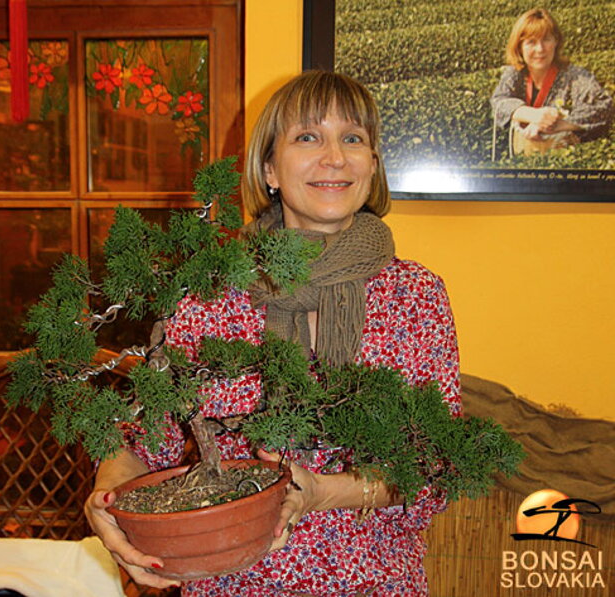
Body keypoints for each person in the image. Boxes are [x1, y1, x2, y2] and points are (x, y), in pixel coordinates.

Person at [85, 70, 461, 596]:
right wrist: (104, 499)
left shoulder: (414, 297)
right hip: (231, 584)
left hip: (373, 583)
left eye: (353, 138)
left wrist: (324, 492)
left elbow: (436, 467)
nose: (334, 156)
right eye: (308, 136)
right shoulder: (208, 296)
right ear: (269, 169)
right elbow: (141, 444)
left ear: (373, 166)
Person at [490, 8, 614, 153]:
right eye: (531, 42)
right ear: (519, 47)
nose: (540, 49)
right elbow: (499, 102)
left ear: (556, 41)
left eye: (546, 39)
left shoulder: (575, 76)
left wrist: (559, 124)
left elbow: (604, 106)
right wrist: (534, 115)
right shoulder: (515, 73)